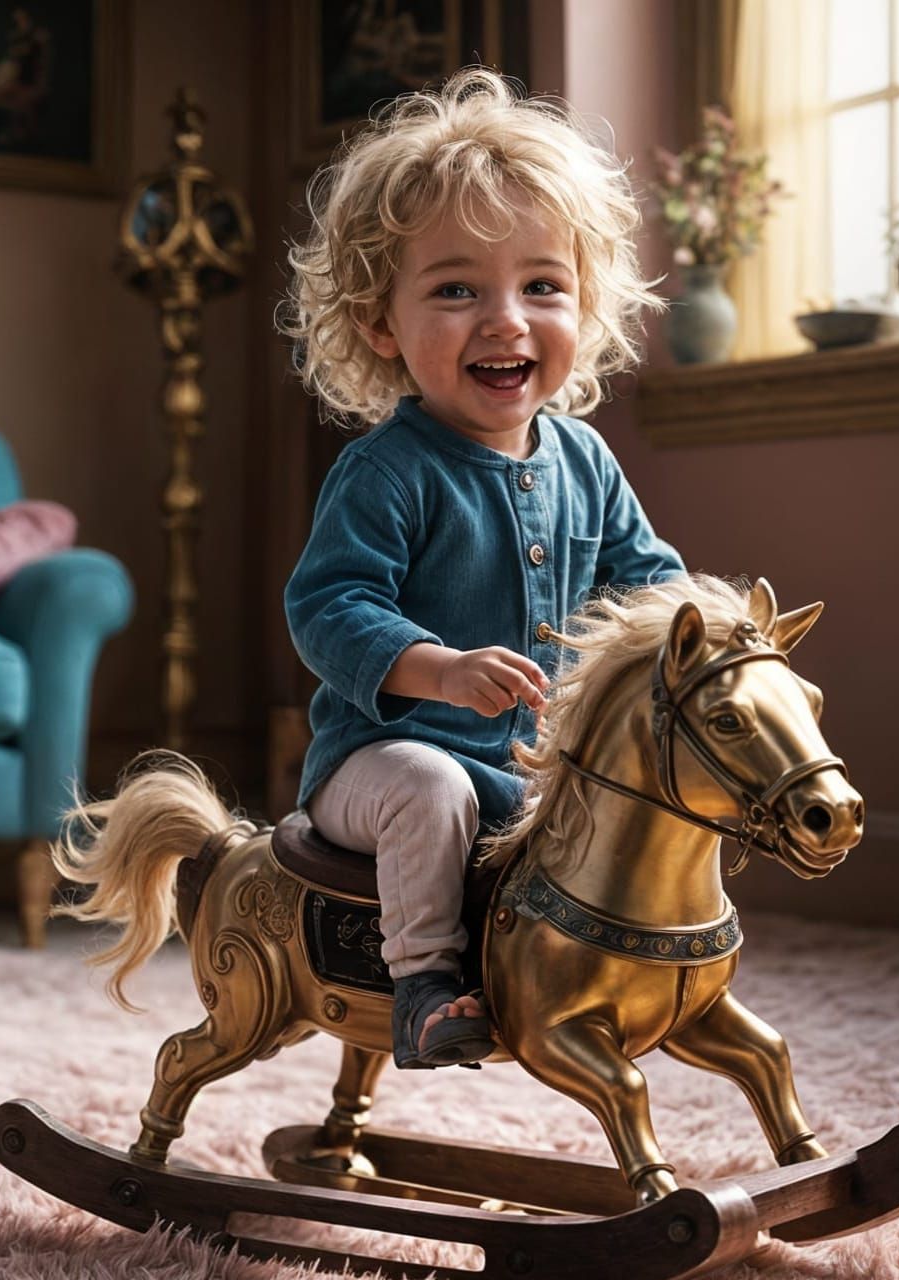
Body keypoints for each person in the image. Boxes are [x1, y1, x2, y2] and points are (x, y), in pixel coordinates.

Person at [282, 68, 686, 1070]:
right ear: (382, 324)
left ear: (583, 310)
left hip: (525, 769)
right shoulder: (389, 470)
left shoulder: (584, 460)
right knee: (430, 787)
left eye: (541, 286)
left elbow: (646, 581)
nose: (505, 319)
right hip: (379, 767)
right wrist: (438, 668)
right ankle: (423, 983)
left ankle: (609, 977)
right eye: (457, 289)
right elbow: (327, 605)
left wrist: (704, 635)